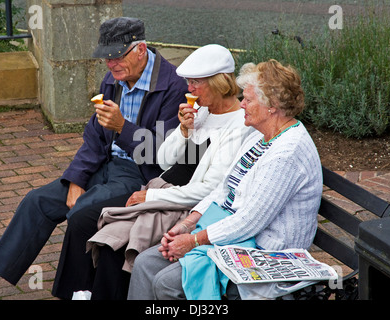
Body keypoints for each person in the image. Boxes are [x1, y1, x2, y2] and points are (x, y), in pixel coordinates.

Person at [0, 17, 187, 300]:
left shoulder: (175, 86)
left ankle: (76, 294)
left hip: (141, 175)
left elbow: (165, 154)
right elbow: (94, 136)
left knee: (82, 211)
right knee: (38, 200)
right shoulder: (114, 79)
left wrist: (122, 127)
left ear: (140, 49)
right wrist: (77, 179)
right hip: (105, 165)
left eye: (116, 56)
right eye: (105, 57)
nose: (110, 64)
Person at [51, 44, 253, 299]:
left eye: (195, 83)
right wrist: (183, 131)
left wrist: (151, 198)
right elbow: (166, 161)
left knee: (114, 244)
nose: (188, 89)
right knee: (88, 222)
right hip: (162, 189)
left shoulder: (237, 126)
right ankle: (79, 293)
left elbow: (208, 190)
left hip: (183, 205)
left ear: (218, 83)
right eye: (188, 82)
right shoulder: (202, 112)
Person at [127, 59, 323, 300]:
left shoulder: (287, 154)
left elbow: (249, 221)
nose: (241, 105)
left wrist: (194, 240)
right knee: (146, 262)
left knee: (168, 284)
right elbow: (224, 188)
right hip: (231, 234)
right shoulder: (259, 137)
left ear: (271, 106)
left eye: (248, 100)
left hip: (265, 251)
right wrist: (188, 224)